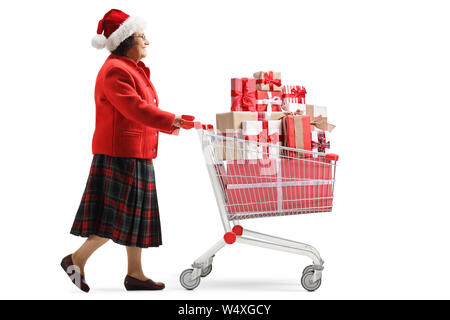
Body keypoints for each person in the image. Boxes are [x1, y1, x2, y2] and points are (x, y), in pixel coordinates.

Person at [60, 9, 195, 292]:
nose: (147, 41)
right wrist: (172, 119)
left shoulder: (130, 69)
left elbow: (144, 108)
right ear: (124, 41)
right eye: (141, 36)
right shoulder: (116, 71)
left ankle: (135, 274)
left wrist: (171, 122)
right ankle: (76, 259)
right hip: (120, 153)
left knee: (134, 216)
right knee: (115, 217)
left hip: (136, 151)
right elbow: (136, 108)